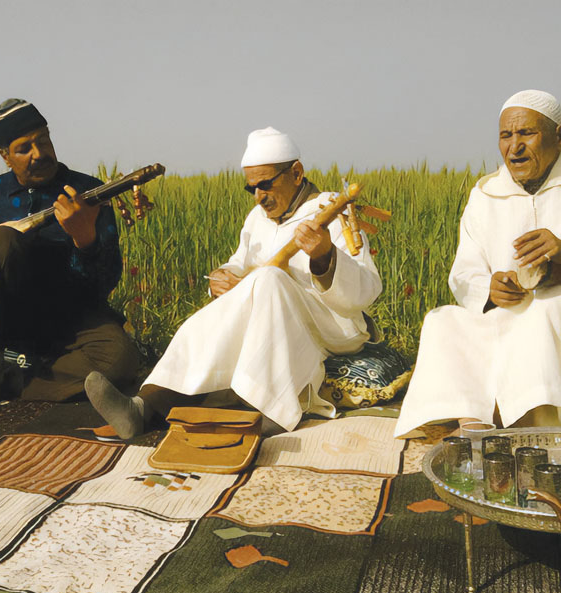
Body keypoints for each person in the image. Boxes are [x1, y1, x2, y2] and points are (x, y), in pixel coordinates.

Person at [85, 127, 382, 438]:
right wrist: (221, 278)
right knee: (213, 316)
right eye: (251, 188)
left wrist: (324, 255)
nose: (259, 197)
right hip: (268, 317)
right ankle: (145, 407)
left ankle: (272, 409)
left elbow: (367, 291)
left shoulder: (329, 209)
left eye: (265, 185)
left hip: (331, 325)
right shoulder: (256, 218)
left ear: (296, 173)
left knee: (268, 279)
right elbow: (238, 263)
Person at [0, 99, 138, 418]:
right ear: (5, 156)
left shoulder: (87, 192)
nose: (39, 154)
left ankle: (6, 377)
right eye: (25, 148)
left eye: (44, 140)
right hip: (8, 320)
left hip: (71, 318)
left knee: (121, 361)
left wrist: (85, 238)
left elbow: (103, 285)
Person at [395, 90, 561, 437]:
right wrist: (489, 288)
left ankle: (535, 424)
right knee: (443, 322)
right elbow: (465, 271)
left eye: (526, 133)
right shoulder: (486, 193)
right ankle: (474, 424)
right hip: (504, 311)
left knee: (544, 310)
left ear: (557, 135)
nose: (514, 146)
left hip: (554, 309)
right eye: (506, 135)